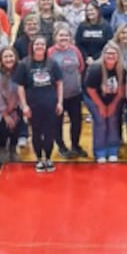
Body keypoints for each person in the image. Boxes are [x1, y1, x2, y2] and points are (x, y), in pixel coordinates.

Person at [16, 36, 64, 172]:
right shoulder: (24, 64)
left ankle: (48, 158)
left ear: (46, 47)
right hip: (33, 105)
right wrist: (24, 106)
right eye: (37, 44)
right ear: (32, 46)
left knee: (49, 132)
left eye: (42, 44)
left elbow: (59, 83)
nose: (39, 47)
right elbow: (20, 87)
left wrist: (60, 102)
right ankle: (38, 159)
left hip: (50, 103)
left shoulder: (52, 63)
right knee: (36, 132)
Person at [46, 25, 89, 158]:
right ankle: (61, 146)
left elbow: (81, 67)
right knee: (57, 122)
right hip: (57, 96)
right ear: (55, 37)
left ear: (70, 38)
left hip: (75, 93)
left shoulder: (75, 50)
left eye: (66, 36)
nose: (64, 38)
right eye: (61, 35)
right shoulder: (50, 52)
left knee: (76, 121)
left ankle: (75, 145)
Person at [85, 44, 125, 163]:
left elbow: (122, 89)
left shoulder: (122, 69)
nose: (110, 56)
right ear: (103, 55)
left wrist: (112, 105)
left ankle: (113, 149)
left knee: (113, 120)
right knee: (100, 121)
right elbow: (90, 90)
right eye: (108, 53)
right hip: (93, 97)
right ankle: (100, 151)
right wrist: (101, 106)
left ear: (118, 56)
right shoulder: (95, 68)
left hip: (113, 98)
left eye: (113, 54)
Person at [0, 46, 25, 163]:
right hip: (0, 106)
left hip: (16, 104)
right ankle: (2, 148)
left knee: (16, 126)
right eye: (5, 56)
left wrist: (16, 106)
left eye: (11, 56)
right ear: (1, 59)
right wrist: (5, 113)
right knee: (4, 128)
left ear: (15, 57)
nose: (8, 59)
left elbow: (22, 89)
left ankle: (13, 149)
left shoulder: (20, 70)